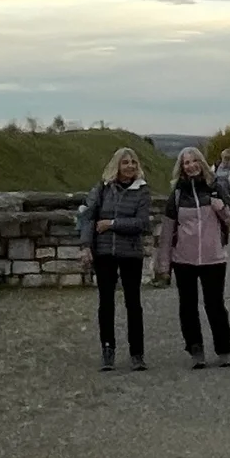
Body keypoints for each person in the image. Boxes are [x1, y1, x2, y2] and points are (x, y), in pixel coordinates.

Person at [155, 145, 230, 366]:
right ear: (182, 168)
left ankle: (223, 348)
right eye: (186, 163)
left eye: (194, 161)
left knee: (215, 304)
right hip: (183, 259)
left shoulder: (216, 187)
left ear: (201, 162)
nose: (191, 166)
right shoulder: (177, 194)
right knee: (188, 306)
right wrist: (163, 264)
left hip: (213, 258)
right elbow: (168, 230)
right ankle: (195, 349)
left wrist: (221, 208)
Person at [85, 146, 152, 370]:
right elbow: (89, 217)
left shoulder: (142, 190)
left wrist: (112, 224)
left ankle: (137, 353)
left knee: (133, 303)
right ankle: (108, 349)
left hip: (131, 252)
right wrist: (86, 246)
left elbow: (141, 223)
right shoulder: (103, 188)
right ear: (117, 165)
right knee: (106, 302)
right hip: (104, 252)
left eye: (133, 162)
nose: (130, 166)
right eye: (125, 162)